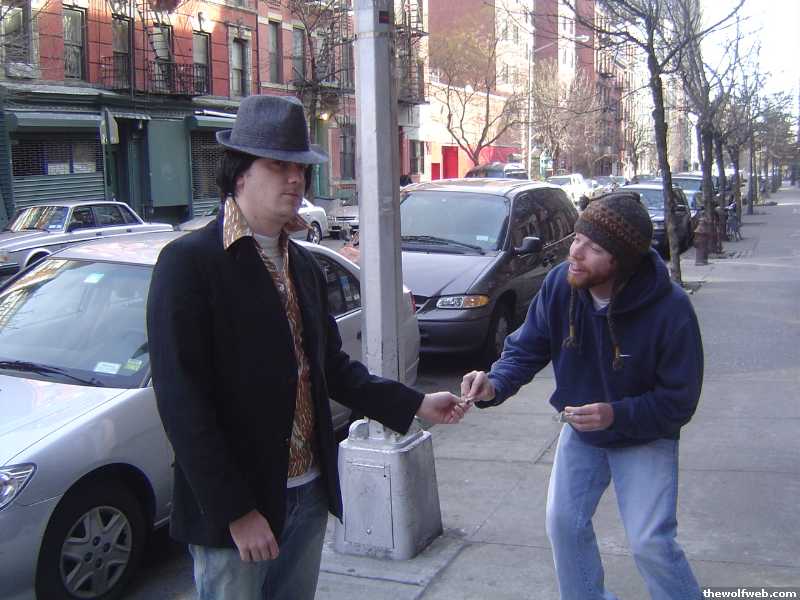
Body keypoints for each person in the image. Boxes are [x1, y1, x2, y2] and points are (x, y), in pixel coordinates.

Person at [147, 94, 466, 600]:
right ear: (239, 173)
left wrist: (416, 403)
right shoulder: (190, 263)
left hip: (309, 494)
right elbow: (182, 403)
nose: (295, 179)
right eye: (278, 166)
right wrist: (236, 511)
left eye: (301, 168)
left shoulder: (303, 264)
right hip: (239, 515)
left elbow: (331, 368)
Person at [461, 193, 703, 600]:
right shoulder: (561, 284)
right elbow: (526, 347)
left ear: (620, 261)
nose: (575, 252)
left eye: (593, 248)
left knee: (650, 542)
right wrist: (495, 383)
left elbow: (679, 400)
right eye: (577, 238)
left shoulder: (670, 309)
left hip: (645, 434)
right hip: (582, 432)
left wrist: (616, 415)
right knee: (563, 524)